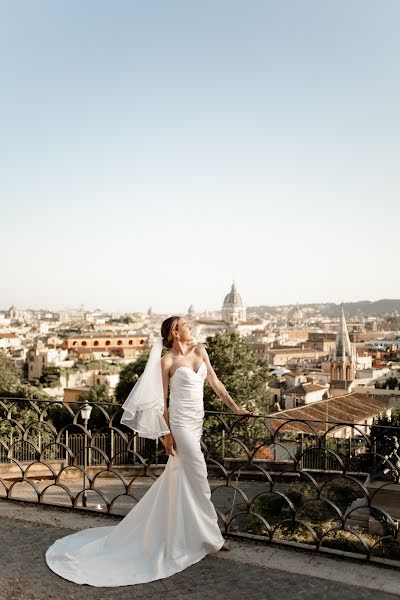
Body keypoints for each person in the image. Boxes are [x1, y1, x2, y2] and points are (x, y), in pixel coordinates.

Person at [46, 316, 252, 587]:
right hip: (179, 424)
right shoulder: (166, 362)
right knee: (200, 475)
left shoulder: (200, 350)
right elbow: (161, 403)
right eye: (186, 325)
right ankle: (212, 537)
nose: (192, 328)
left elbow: (214, 382)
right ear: (175, 333)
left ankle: (181, 532)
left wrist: (236, 408)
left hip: (197, 421)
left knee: (180, 480)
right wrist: (166, 434)